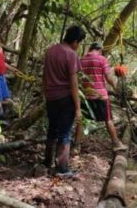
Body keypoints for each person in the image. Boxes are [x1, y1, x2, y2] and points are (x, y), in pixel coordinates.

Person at [42, 25, 85, 177]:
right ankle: (62, 168)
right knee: (65, 133)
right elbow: (73, 83)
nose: (78, 46)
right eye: (78, 43)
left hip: (51, 97)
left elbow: (45, 75)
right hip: (65, 99)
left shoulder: (50, 51)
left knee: (52, 130)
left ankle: (47, 162)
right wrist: (78, 107)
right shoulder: (71, 54)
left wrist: (45, 93)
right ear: (74, 41)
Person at [80, 42, 128, 152]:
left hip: (86, 95)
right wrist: (116, 88)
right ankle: (116, 143)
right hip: (101, 95)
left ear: (90, 49)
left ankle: (76, 146)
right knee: (108, 120)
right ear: (100, 50)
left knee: (82, 122)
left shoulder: (81, 60)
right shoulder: (102, 59)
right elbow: (108, 78)